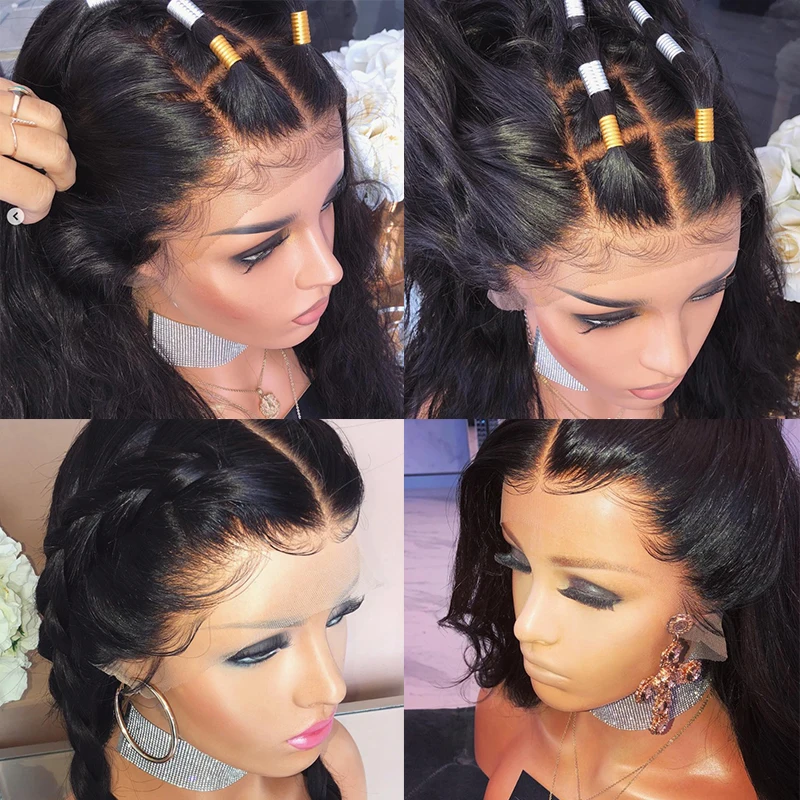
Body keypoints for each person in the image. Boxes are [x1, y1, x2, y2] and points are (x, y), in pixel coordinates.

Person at [0, 0, 401, 418]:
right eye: (260, 250)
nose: (329, 270)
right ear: (124, 252)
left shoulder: (340, 340)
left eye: (328, 201)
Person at [405, 0, 799, 419]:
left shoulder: (761, 383)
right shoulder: (445, 416)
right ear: (501, 281)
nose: (673, 359)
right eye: (607, 318)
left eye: (708, 291)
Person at [438, 420, 799, 799]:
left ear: (712, 594)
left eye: (589, 594)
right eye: (519, 561)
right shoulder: (504, 707)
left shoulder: (724, 788)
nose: (526, 626)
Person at [35, 419, 372, 800]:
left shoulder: (334, 762)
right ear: (127, 657)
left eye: (337, 616)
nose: (332, 687)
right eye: (258, 651)